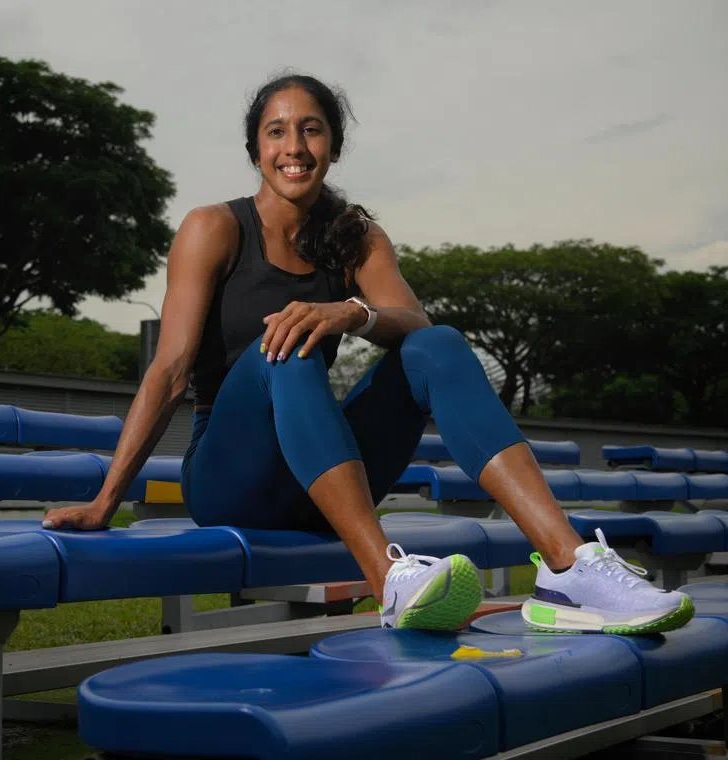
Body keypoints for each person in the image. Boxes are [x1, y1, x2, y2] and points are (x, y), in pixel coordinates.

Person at [43, 73, 694, 635]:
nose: (294, 147)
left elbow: (414, 323)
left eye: (312, 130)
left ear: (333, 145)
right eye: (277, 132)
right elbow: (171, 368)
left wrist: (351, 312)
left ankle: (569, 569)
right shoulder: (214, 228)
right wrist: (106, 502)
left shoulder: (355, 236)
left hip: (321, 482)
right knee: (288, 343)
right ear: (255, 149)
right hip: (230, 478)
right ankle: (388, 577)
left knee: (435, 343)